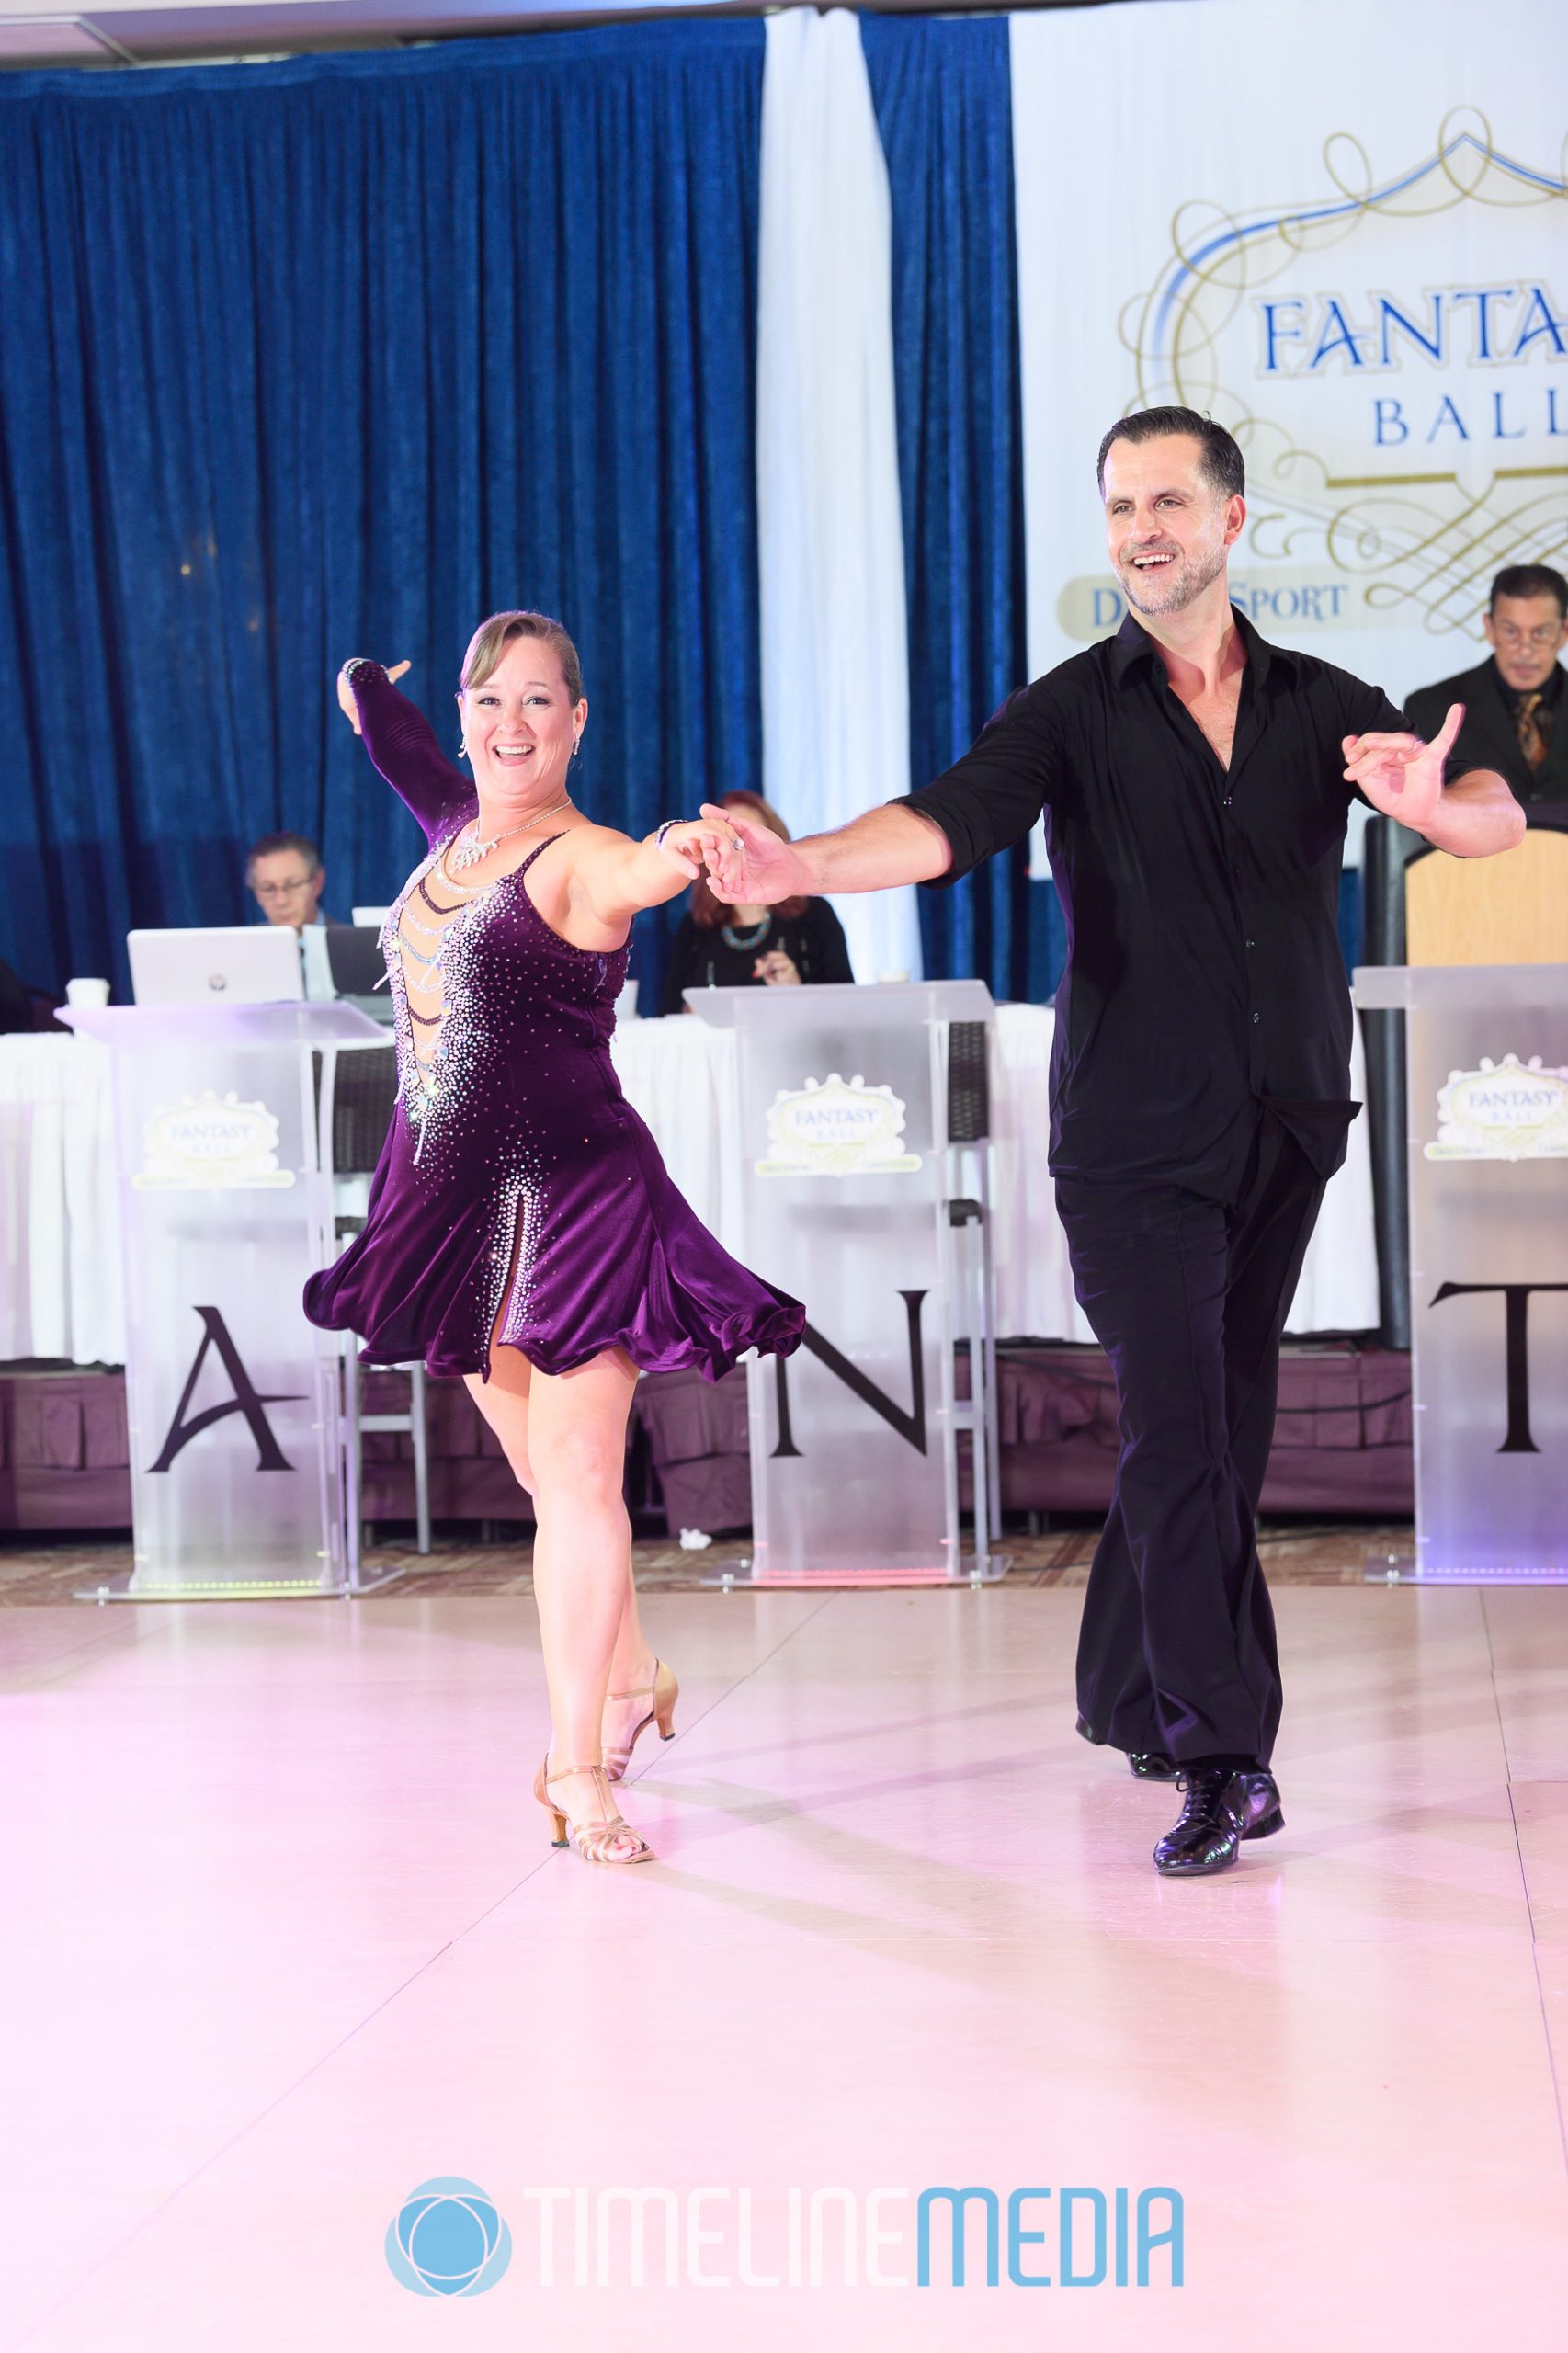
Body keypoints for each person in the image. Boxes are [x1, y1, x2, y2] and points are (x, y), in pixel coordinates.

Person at [699, 405, 1523, 1879]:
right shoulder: (1072, 709)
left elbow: (1489, 817)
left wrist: (1432, 815)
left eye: (1165, 501)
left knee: (1218, 1422)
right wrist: (806, 860)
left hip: (1285, 1125)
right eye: (1118, 507)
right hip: (1133, 1137)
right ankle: (1224, 1755)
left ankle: (1122, 1689)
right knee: (1186, 1425)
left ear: (1229, 521)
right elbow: (949, 822)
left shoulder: (1325, 698)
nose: (1140, 529)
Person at [306, 614, 803, 1867]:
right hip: (448, 1205)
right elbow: (398, 745)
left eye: (539, 703)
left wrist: (687, 850)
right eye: (492, 702)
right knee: (544, 1479)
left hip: (576, 1200)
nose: (510, 725)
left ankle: (578, 1768)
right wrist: (367, 684)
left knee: (577, 1482)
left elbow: (642, 875)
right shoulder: (450, 827)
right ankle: (632, 1675)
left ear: (578, 721)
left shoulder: (586, 858)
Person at [659, 790, 854, 1014]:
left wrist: (797, 991)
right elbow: (668, 1011)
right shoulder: (695, 926)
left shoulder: (815, 915)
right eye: (727, 842)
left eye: (746, 841)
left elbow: (845, 1009)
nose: (739, 853)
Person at [1406, 564, 1568, 803]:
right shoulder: (1431, 708)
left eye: (1540, 633)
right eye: (1511, 632)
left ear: (1563, 632)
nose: (1525, 650)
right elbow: (1417, 813)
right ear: (1490, 628)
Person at [245, 832, 345, 931]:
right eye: (269, 889)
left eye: (293, 885)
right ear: (256, 894)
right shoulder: (243, 945)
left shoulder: (353, 944)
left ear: (318, 883)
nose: (281, 901)